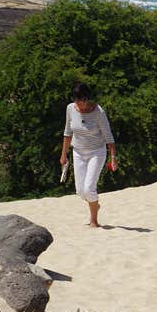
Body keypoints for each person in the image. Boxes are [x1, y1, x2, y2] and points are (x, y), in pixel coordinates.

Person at [60, 82, 117, 228]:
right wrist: (63, 155)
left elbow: (108, 135)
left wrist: (113, 157)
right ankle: (95, 204)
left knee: (89, 188)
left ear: (88, 98)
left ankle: (94, 221)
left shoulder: (99, 112)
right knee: (80, 191)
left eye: (83, 100)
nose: (81, 104)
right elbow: (67, 133)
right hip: (78, 152)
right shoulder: (70, 109)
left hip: (96, 152)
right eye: (77, 100)